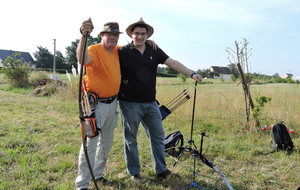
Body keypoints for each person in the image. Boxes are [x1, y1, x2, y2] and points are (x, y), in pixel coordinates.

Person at [118, 18, 202, 181]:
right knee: (130, 138)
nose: (140, 37)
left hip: (150, 103)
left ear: (147, 35)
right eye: (136, 33)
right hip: (129, 103)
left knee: (158, 136)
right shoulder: (122, 51)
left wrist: (191, 73)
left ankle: (161, 170)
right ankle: (134, 172)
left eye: (143, 34)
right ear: (131, 35)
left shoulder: (154, 50)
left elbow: (172, 62)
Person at [75, 18, 121, 190]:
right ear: (102, 35)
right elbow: (82, 59)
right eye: (109, 34)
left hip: (113, 103)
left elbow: (136, 46)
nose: (113, 38)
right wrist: (83, 36)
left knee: (107, 142)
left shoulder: (118, 50)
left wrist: (148, 42)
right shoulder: (93, 49)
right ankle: (82, 184)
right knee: (90, 143)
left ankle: (98, 174)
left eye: (116, 35)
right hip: (95, 105)